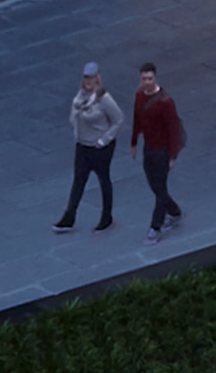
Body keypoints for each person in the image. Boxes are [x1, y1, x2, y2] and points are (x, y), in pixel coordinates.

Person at [54, 62, 123, 233]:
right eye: (85, 78)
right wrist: (76, 130)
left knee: (103, 180)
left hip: (99, 147)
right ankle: (69, 217)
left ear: (98, 78)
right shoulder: (81, 97)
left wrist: (104, 140)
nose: (88, 82)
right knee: (78, 181)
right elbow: (74, 114)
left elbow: (118, 119)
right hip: (83, 146)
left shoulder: (105, 100)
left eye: (91, 78)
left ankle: (106, 216)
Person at [130, 62, 186, 244]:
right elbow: (137, 119)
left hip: (162, 151)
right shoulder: (139, 96)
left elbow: (174, 129)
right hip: (149, 148)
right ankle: (175, 211)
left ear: (155, 78)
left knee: (160, 187)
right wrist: (134, 142)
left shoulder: (165, 102)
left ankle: (156, 226)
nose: (147, 82)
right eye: (144, 78)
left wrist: (173, 155)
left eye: (150, 78)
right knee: (154, 186)